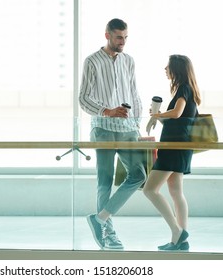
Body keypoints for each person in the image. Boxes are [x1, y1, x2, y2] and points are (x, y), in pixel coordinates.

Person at [79, 18, 146, 250]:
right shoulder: (92, 61)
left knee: (139, 175)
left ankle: (99, 219)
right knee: (104, 183)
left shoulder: (129, 61)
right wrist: (107, 111)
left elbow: (134, 94)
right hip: (103, 130)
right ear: (107, 35)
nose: (123, 42)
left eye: (126, 38)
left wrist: (137, 124)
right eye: (119, 37)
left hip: (129, 131)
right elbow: (84, 98)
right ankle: (108, 234)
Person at [142, 54, 201, 251]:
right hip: (181, 147)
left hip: (174, 147)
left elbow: (176, 113)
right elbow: (179, 119)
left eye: (167, 66)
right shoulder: (189, 89)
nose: (165, 69)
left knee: (149, 189)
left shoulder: (184, 88)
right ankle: (180, 240)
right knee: (176, 192)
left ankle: (177, 231)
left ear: (176, 69)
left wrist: (158, 114)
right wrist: (158, 117)